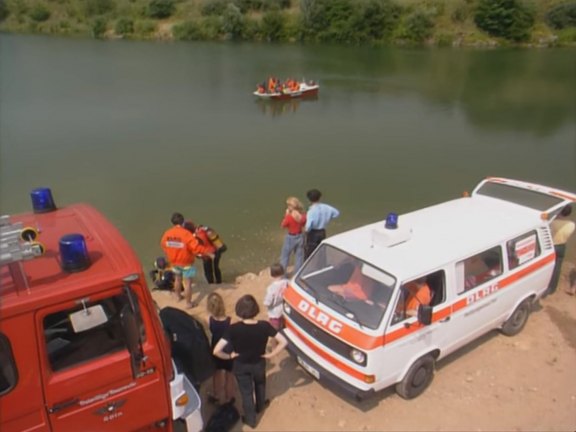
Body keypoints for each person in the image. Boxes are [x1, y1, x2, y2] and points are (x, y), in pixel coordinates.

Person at [213, 295, 287, 429]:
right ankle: (260, 406)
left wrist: (229, 356)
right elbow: (284, 341)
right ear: (255, 309)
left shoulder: (233, 329)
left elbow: (216, 350)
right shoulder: (264, 326)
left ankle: (251, 420)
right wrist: (271, 353)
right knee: (260, 384)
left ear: (239, 310)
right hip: (259, 362)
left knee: (246, 392)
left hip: (241, 365)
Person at [160, 212, 214, 308]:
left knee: (177, 279)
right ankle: (189, 303)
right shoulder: (186, 234)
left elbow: (163, 245)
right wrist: (208, 253)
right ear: (183, 222)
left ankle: (178, 297)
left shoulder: (167, 234)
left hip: (174, 262)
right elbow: (196, 248)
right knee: (188, 283)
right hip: (186, 262)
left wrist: (170, 253)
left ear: (172, 222)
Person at [206, 292, 236, 405]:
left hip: (216, 348)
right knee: (229, 374)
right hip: (228, 347)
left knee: (217, 373)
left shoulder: (208, 319)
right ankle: (229, 397)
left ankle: (216, 395)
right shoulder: (230, 320)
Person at [546, 204, 575, 296]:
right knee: (557, 268)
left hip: (551, 246)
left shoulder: (552, 222)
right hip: (562, 246)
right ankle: (552, 288)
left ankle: (544, 286)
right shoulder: (571, 224)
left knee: (546, 267)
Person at [304, 189, 340, 259]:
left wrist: (306, 232)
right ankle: (322, 264)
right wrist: (328, 218)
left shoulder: (311, 211)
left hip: (313, 233)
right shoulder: (326, 207)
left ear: (309, 200)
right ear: (320, 198)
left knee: (310, 251)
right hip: (322, 231)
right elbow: (336, 213)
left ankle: (309, 266)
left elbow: (308, 225)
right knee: (321, 250)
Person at [279, 197, 307, 274]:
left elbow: (283, 225)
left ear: (291, 206)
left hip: (291, 237)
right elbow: (304, 223)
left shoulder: (289, 216)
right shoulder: (303, 215)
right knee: (299, 256)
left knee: (285, 256)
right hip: (301, 236)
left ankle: (282, 274)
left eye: (288, 205)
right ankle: (297, 273)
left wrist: (286, 215)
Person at [263, 263, 289, 331]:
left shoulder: (271, 288)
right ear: (283, 272)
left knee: (274, 329)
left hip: (274, 312)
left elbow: (268, 301)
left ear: (272, 275)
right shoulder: (287, 282)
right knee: (282, 324)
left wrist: (266, 303)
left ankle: (275, 340)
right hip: (283, 308)